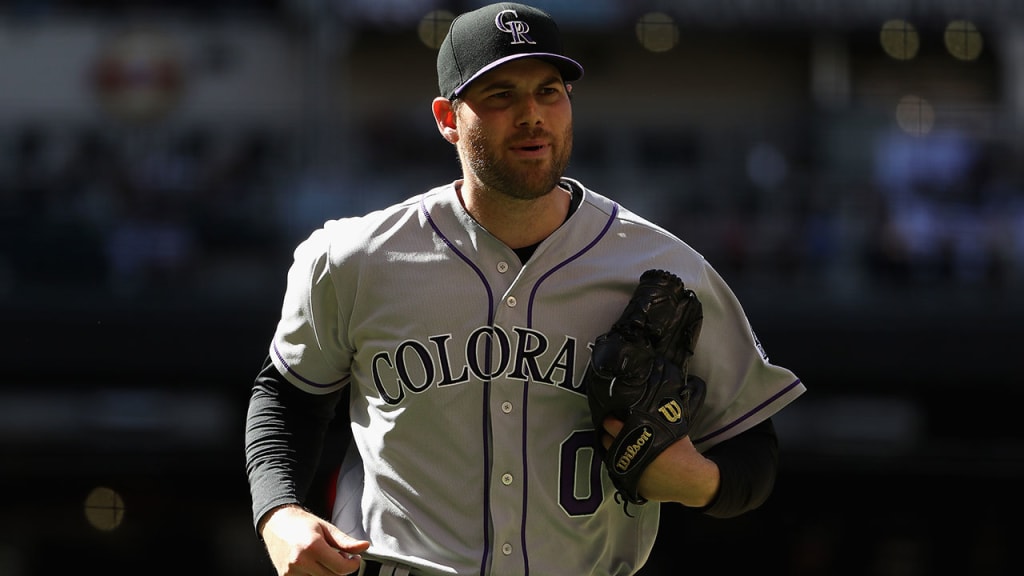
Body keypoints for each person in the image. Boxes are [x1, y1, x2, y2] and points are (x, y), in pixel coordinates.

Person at [244, 3, 806, 575]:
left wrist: (699, 481)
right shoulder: (356, 258)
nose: (532, 115)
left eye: (549, 92)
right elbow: (286, 397)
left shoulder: (665, 268)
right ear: (447, 117)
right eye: (501, 95)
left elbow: (753, 451)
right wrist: (279, 512)